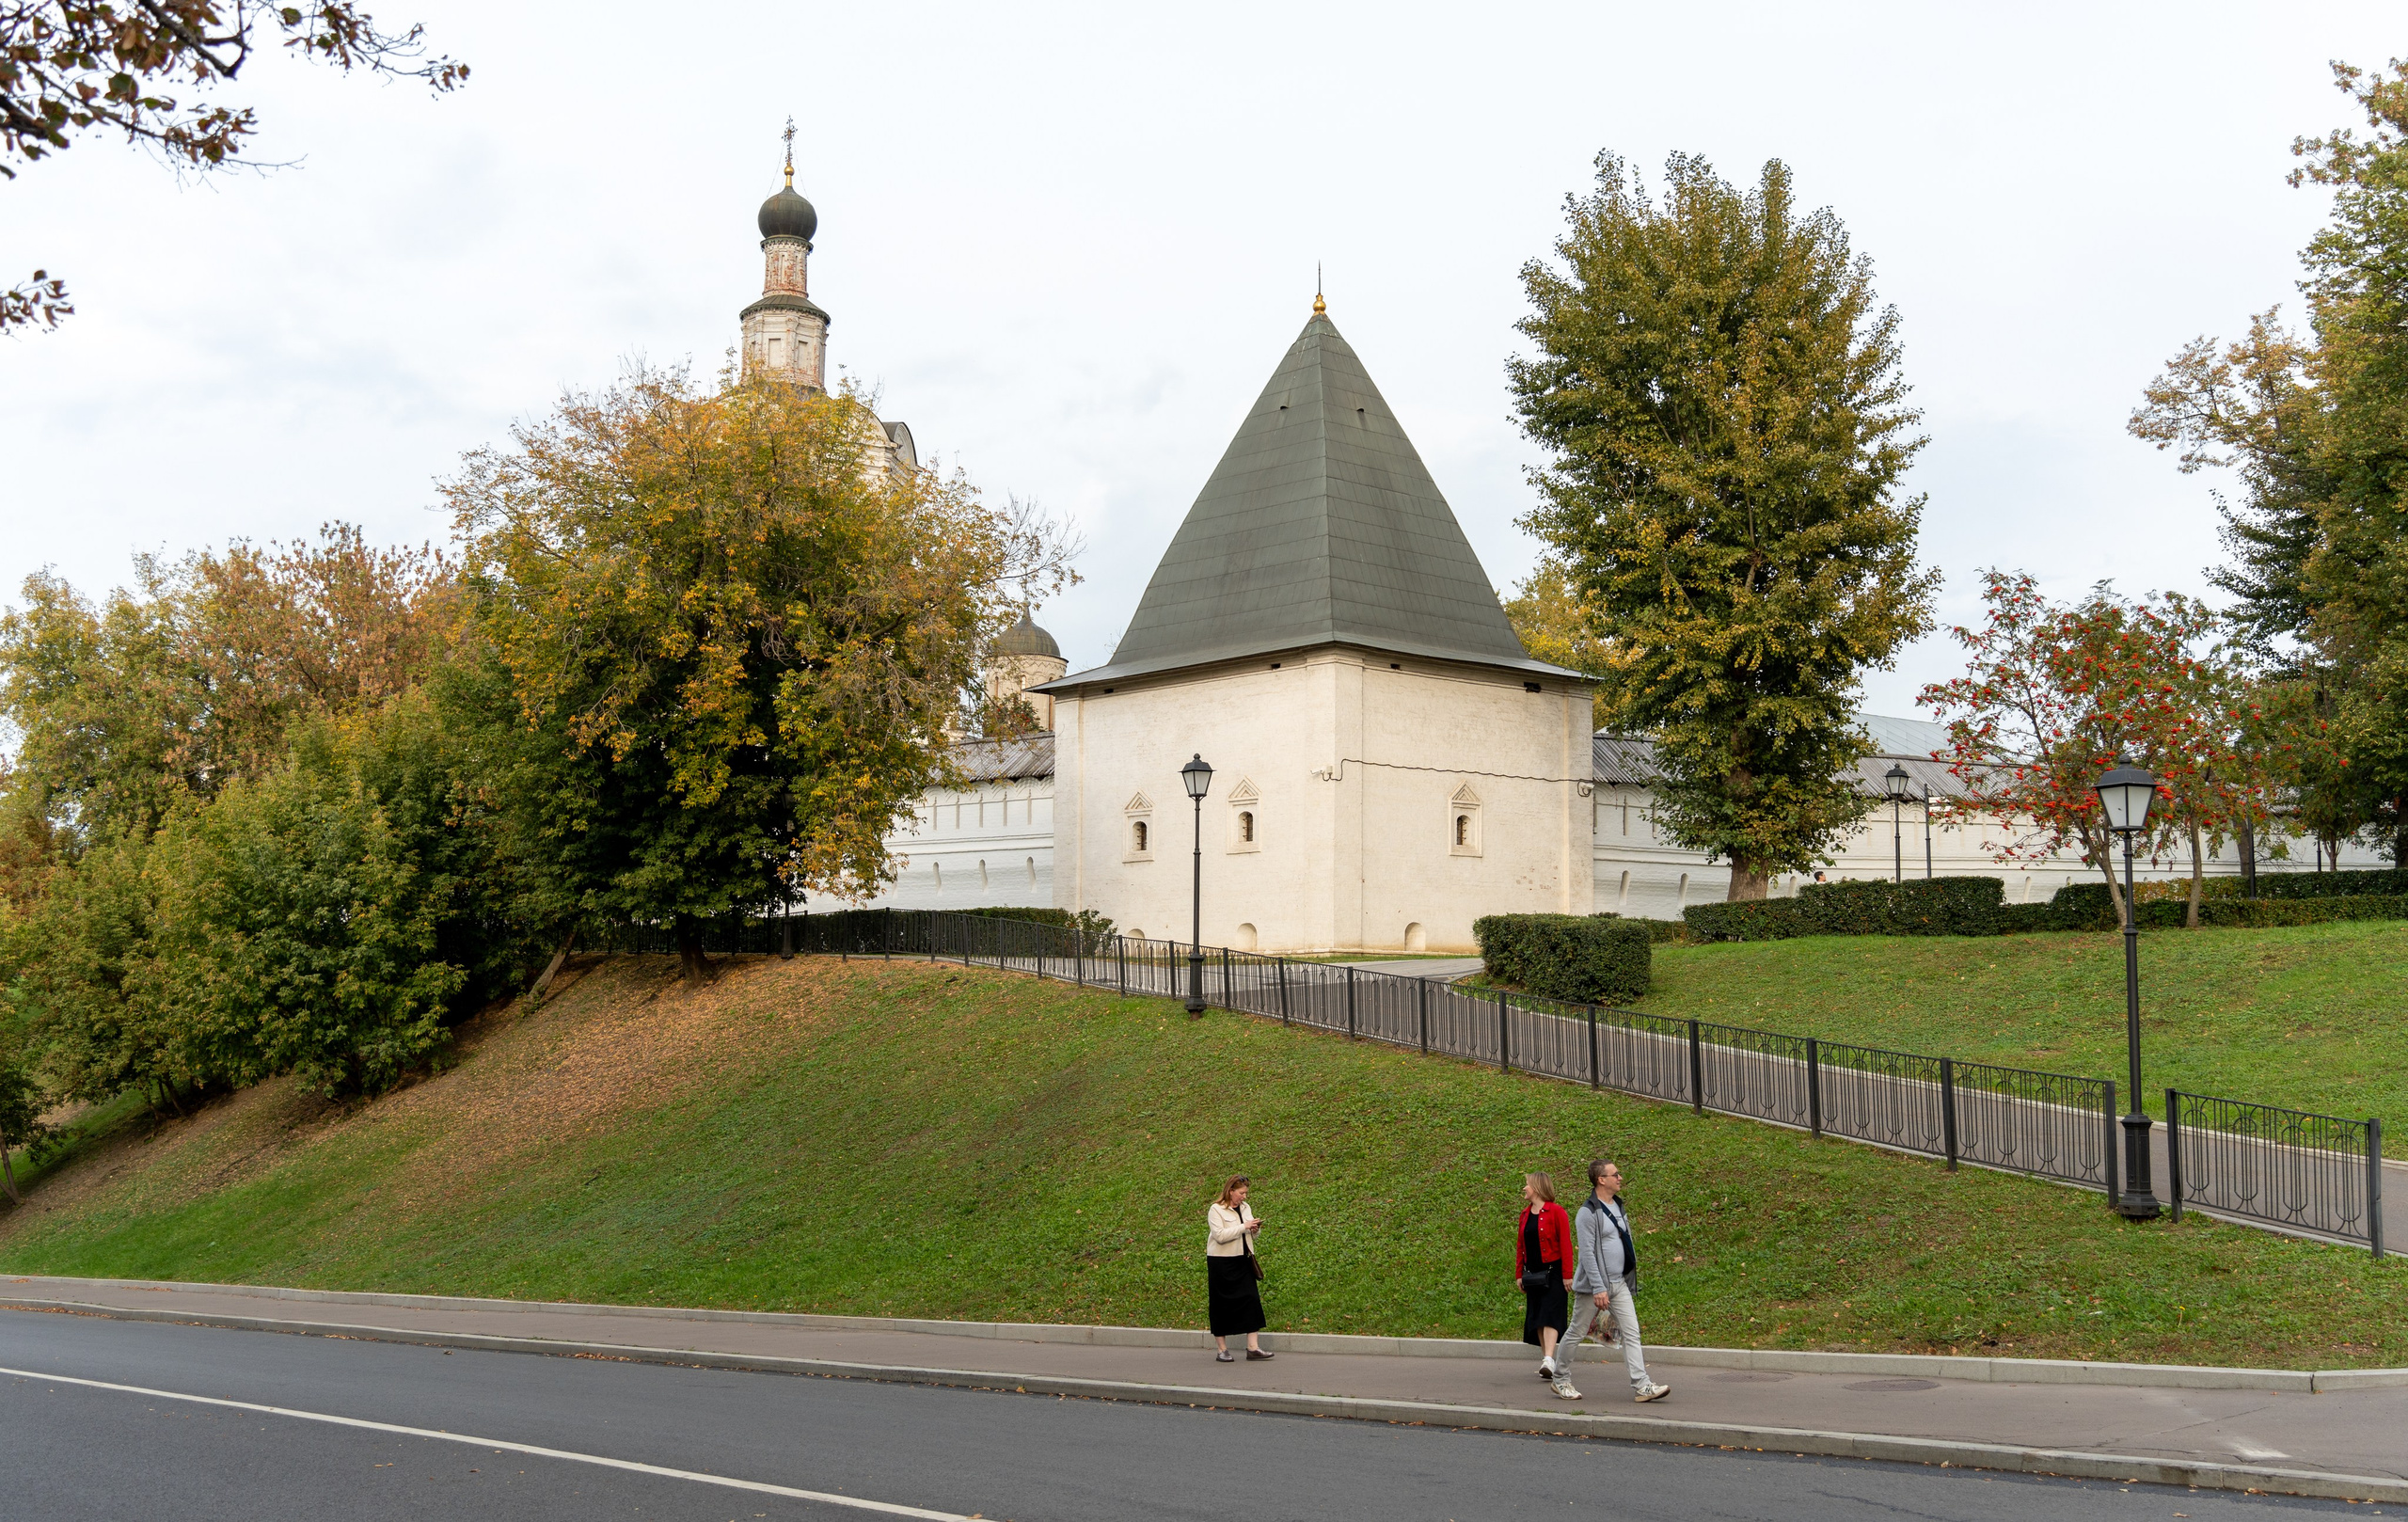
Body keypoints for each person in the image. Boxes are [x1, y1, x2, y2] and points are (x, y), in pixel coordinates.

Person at [1567, 1158, 1671, 1403]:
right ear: (1601, 1180)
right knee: (1576, 1331)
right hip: (1595, 1287)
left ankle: (1642, 1386)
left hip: (1618, 1283)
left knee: (1632, 1333)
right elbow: (1588, 1254)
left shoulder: (1618, 1206)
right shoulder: (1587, 1212)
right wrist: (1599, 1287)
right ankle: (1560, 1378)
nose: (1620, 1178)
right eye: (1615, 1174)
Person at [1515, 1172, 1580, 1400]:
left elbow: (1566, 1244)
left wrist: (1567, 1275)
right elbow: (1520, 1246)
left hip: (1553, 1273)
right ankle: (1548, 1361)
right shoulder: (1525, 1215)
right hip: (1533, 1274)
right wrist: (1519, 1274)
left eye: (1527, 1185)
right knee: (1538, 1316)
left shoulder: (1556, 1212)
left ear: (1537, 1188)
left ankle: (1549, 1359)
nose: (1524, 1188)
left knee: (1551, 1313)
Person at [1206, 1175, 1273, 1362]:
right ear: (1231, 1191)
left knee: (1251, 1299)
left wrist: (1254, 1229)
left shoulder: (1245, 1208)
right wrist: (1244, 1226)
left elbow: (1250, 1232)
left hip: (1243, 1259)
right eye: (1241, 1193)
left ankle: (1253, 1347)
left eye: (1246, 1193)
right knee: (1221, 1304)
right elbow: (1219, 1235)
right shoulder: (1216, 1209)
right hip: (1221, 1262)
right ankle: (1222, 1350)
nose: (1244, 1196)